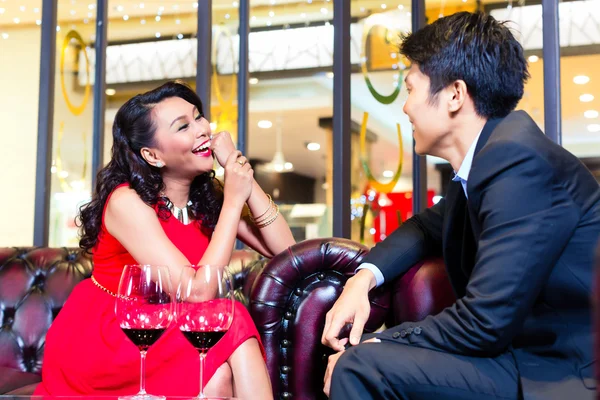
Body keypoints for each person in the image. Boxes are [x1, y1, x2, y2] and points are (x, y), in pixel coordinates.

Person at [321, 11, 600, 400]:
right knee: (360, 360)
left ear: (455, 94)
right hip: (520, 357)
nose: (405, 107)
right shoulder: (488, 161)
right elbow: (423, 228)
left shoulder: (520, 164)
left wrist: (380, 343)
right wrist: (362, 278)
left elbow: (485, 322)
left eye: (410, 88)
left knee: (359, 364)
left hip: (560, 370)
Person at [34, 81, 296, 398]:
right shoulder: (126, 202)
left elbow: (286, 251)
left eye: (199, 117)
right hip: (115, 336)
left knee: (218, 378)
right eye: (184, 126)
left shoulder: (206, 198)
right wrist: (233, 200)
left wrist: (241, 174)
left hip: (175, 330)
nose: (202, 130)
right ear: (152, 154)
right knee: (232, 316)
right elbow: (197, 292)